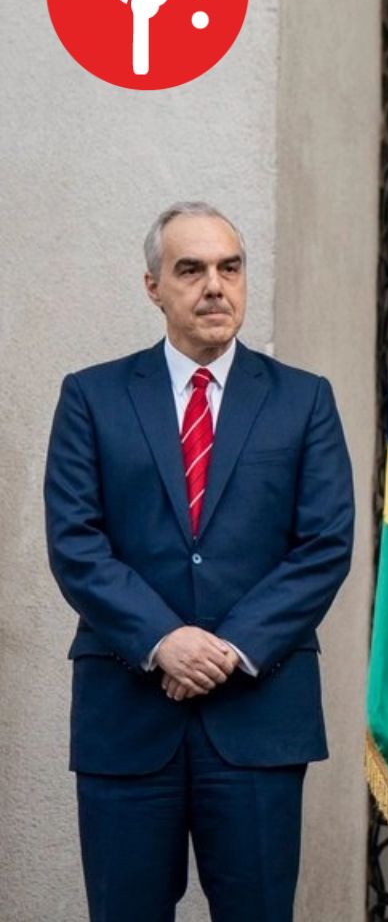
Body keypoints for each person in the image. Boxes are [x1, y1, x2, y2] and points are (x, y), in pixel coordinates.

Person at [43, 202, 355, 921]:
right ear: (153, 285)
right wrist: (163, 642)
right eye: (192, 269)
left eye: (230, 268)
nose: (215, 285)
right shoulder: (92, 397)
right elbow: (76, 542)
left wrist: (230, 649)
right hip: (127, 714)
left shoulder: (304, 401)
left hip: (259, 713)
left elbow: (324, 545)